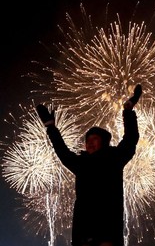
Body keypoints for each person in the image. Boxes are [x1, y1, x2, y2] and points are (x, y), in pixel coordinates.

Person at [36, 84, 142, 246]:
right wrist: (51, 127)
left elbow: (131, 138)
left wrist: (128, 110)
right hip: (83, 232)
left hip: (108, 231)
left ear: (104, 142)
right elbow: (62, 151)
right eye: (87, 140)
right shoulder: (80, 164)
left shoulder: (114, 158)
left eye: (94, 139)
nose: (89, 143)